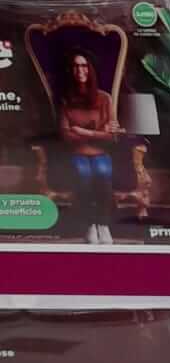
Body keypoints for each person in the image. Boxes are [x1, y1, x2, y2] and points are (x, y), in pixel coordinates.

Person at [57, 50, 120, 243]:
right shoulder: (65, 100)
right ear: (71, 70)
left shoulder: (104, 98)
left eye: (84, 65)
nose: (80, 70)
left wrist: (83, 132)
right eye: (75, 66)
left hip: (101, 152)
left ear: (90, 69)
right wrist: (98, 133)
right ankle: (90, 224)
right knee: (83, 174)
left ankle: (103, 224)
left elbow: (111, 135)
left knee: (102, 172)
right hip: (77, 153)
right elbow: (65, 135)